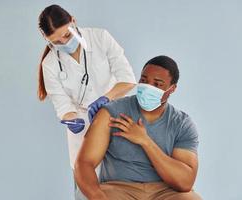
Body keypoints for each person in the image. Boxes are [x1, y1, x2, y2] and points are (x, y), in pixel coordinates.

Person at [37, 4, 136, 199]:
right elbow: (62, 104)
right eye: (56, 42)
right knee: (86, 189)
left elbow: (127, 79)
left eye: (66, 35)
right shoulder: (49, 65)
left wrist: (106, 98)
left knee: (124, 185)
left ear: (73, 20)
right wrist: (71, 118)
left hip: (115, 116)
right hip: (83, 128)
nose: (64, 43)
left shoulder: (101, 38)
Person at [75, 55, 202, 200]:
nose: (148, 87)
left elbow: (185, 183)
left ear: (172, 89)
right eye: (144, 80)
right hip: (118, 189)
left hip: (165, 192)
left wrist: (145, 141)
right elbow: (84, 163)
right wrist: (98, 196)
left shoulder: (181, 124)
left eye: (157, 84)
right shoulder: (111, 112)